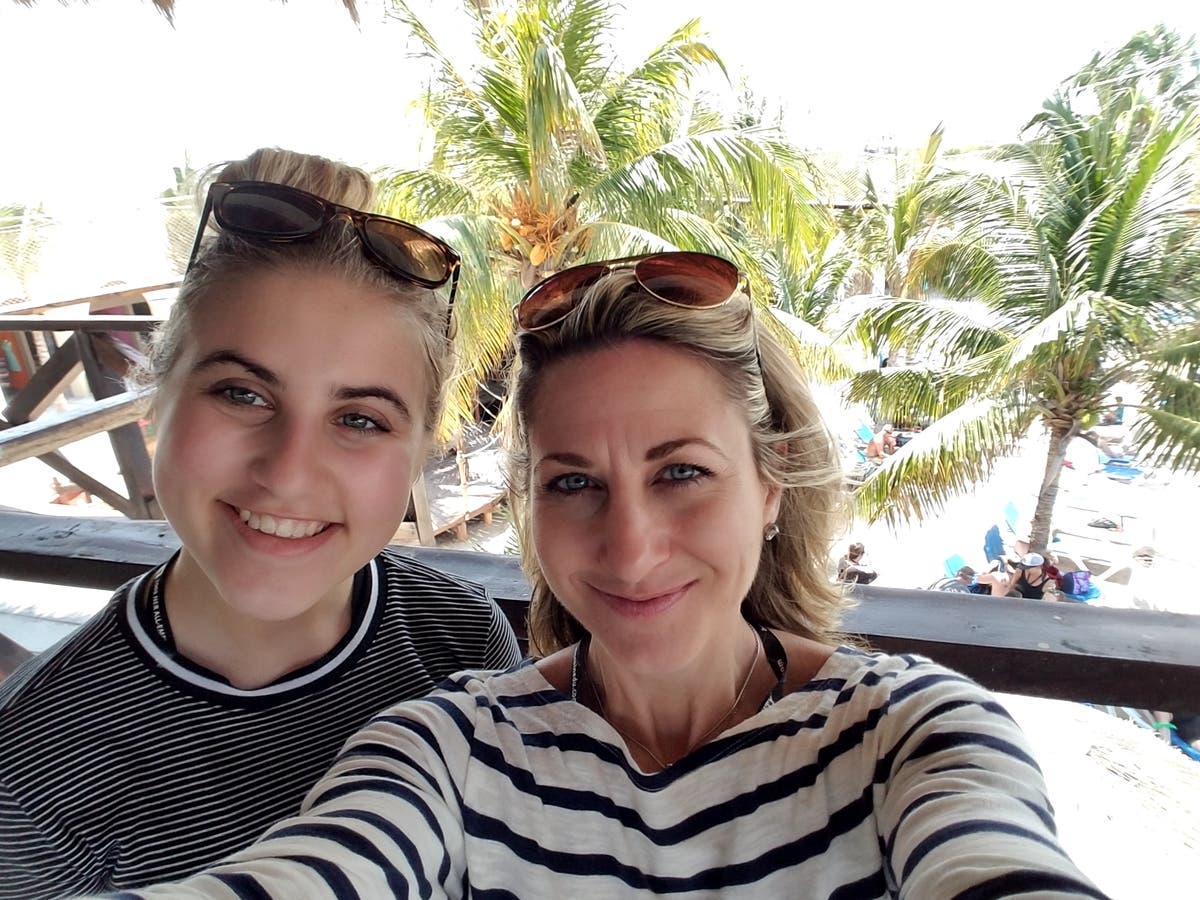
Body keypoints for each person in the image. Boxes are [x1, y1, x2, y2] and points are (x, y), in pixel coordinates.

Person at [103, 251, 1103, 897]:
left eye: (682, 473)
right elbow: (325, 864)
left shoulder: (910, 733)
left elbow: (990, 857)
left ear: (770, 487)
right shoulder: (450, 748)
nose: (629, 548)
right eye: (574, 483)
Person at [0, 149, 521, 898]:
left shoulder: (459, 634)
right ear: (156, 396)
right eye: (242, 394)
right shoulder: (34, 771)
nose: (288, 473)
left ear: (418, 449)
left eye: (360, 418)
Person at [976, 552, 1058, 600]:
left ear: (1038, 567)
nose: (1025, 569)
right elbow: (1011, 586)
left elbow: (1050, 598)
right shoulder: (1021, 570)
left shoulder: (1048, 583)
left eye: (1028, 567)